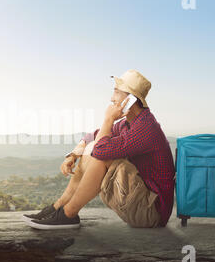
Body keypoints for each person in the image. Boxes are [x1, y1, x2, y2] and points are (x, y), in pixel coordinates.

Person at [23, 69, 176, 230]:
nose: (111, 98)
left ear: (130, 99)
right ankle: (58, 207)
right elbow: (93, 136)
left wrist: (108, 118)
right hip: (140, 202)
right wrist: (74, 154)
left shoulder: (145, 128)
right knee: (92, 147)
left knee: (101, 155)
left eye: (116, 92)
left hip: (151, 213)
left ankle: (68, 215)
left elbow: (100, 151)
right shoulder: (128, 123)